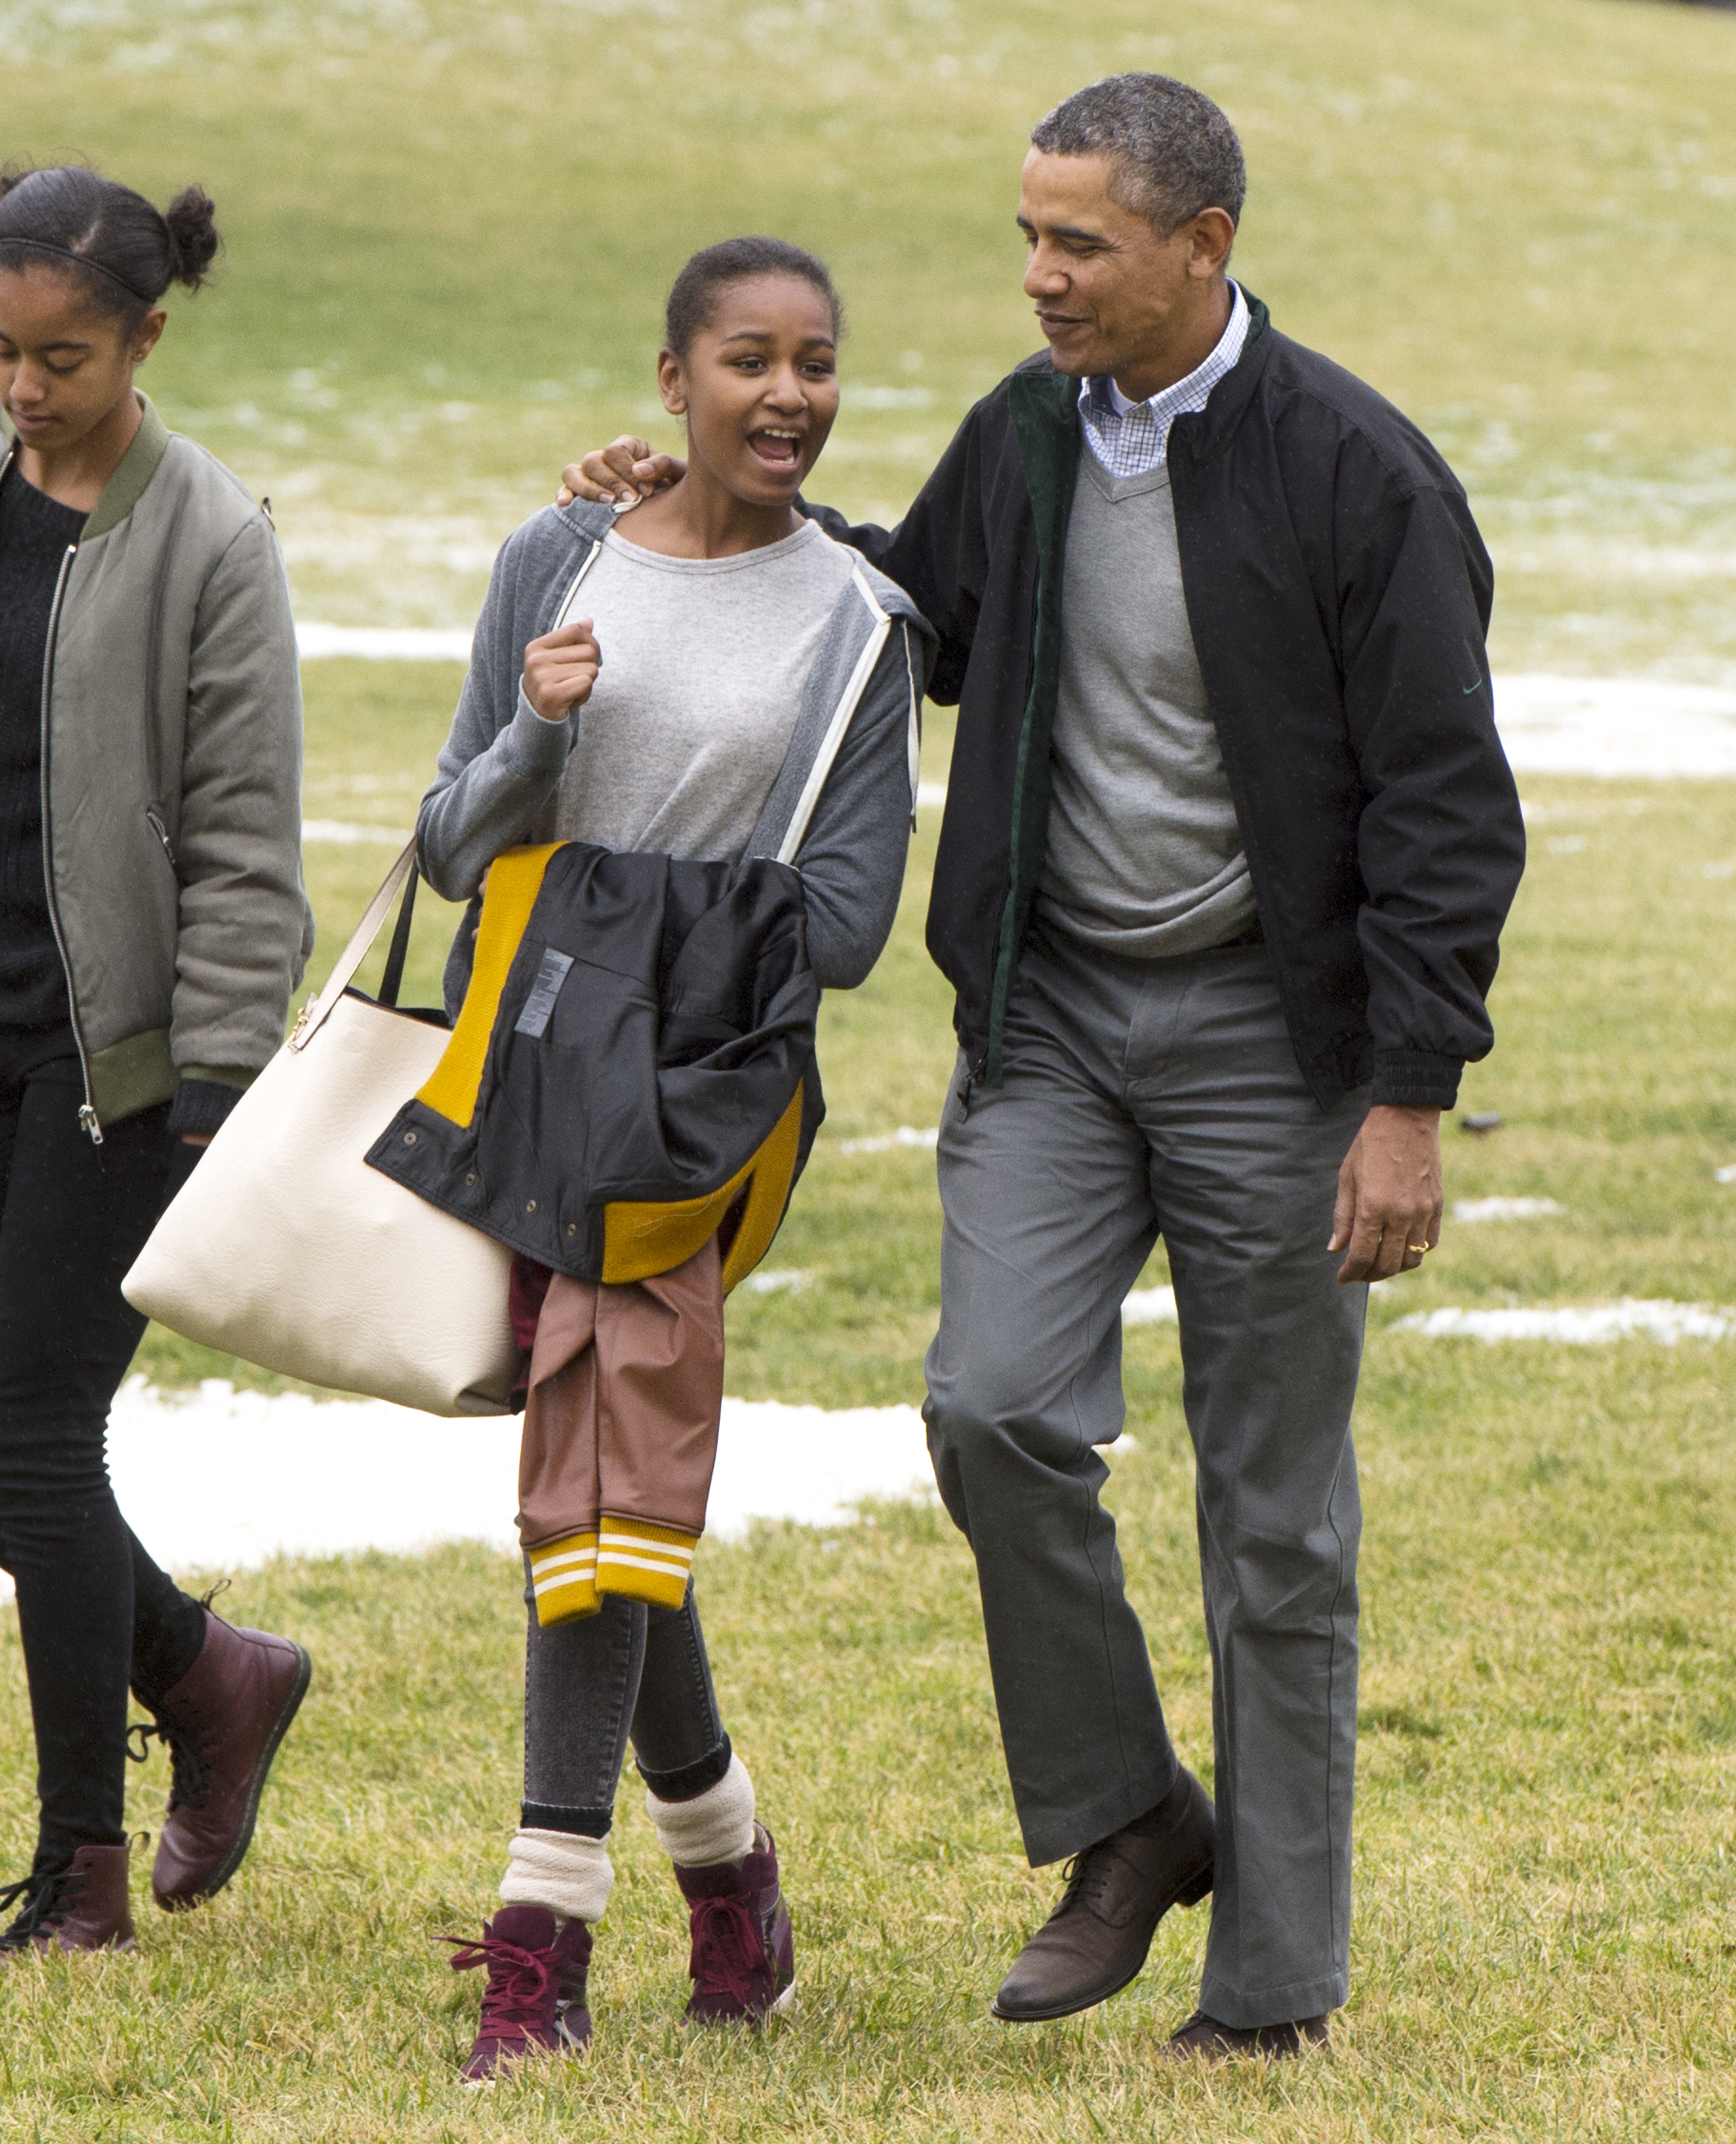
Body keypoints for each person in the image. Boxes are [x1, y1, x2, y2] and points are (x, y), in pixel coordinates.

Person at [562, 76, 1523, 2057]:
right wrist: (703, 519)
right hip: (1053, 1023)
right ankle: (1127, 1816)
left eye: (1077, 242)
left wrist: (1405, 1093)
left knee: (1271, 1515)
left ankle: (1264, 1996)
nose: (1037, 277)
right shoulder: (1020, 436)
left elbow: (1445, 805)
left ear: (1202, 245)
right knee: (991, 1407)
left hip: (1282, 1040)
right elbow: (914, 617)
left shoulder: (1358, 474)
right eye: (1027, 236)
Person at [0, 163, 318, 1974]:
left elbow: (250, 847)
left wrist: (223, 1088)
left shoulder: (213, 541)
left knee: (30, 1431)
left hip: (132, 1062)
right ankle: (208, 1669)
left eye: (64, 359)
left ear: (147, 337)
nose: (23, 390)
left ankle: (80, 1879)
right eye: (3, 350)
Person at [413, 236, 925, 2083]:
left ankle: (538, 1938)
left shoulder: (859, 621)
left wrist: (620, 919)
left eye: (813, 362)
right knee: (611, 1450)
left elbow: (851, 920)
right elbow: (455, 837)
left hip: (705, 1101)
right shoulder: (550, 561)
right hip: (531, 1072)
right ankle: (732, 1876)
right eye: (744, 361)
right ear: (668, 380)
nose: (783, 392)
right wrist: (538, 737)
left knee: (593, 1450)